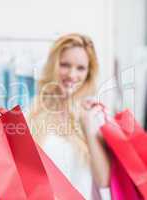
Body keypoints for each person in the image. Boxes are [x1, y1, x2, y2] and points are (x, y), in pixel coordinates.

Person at [27, 33, 110, 199]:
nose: (72, 75)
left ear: (88, 72)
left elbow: (103, 180)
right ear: (53, 65)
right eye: (65, 65)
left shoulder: (95, 115)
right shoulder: (33, 114)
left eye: (81, 68)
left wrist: (88, 124)